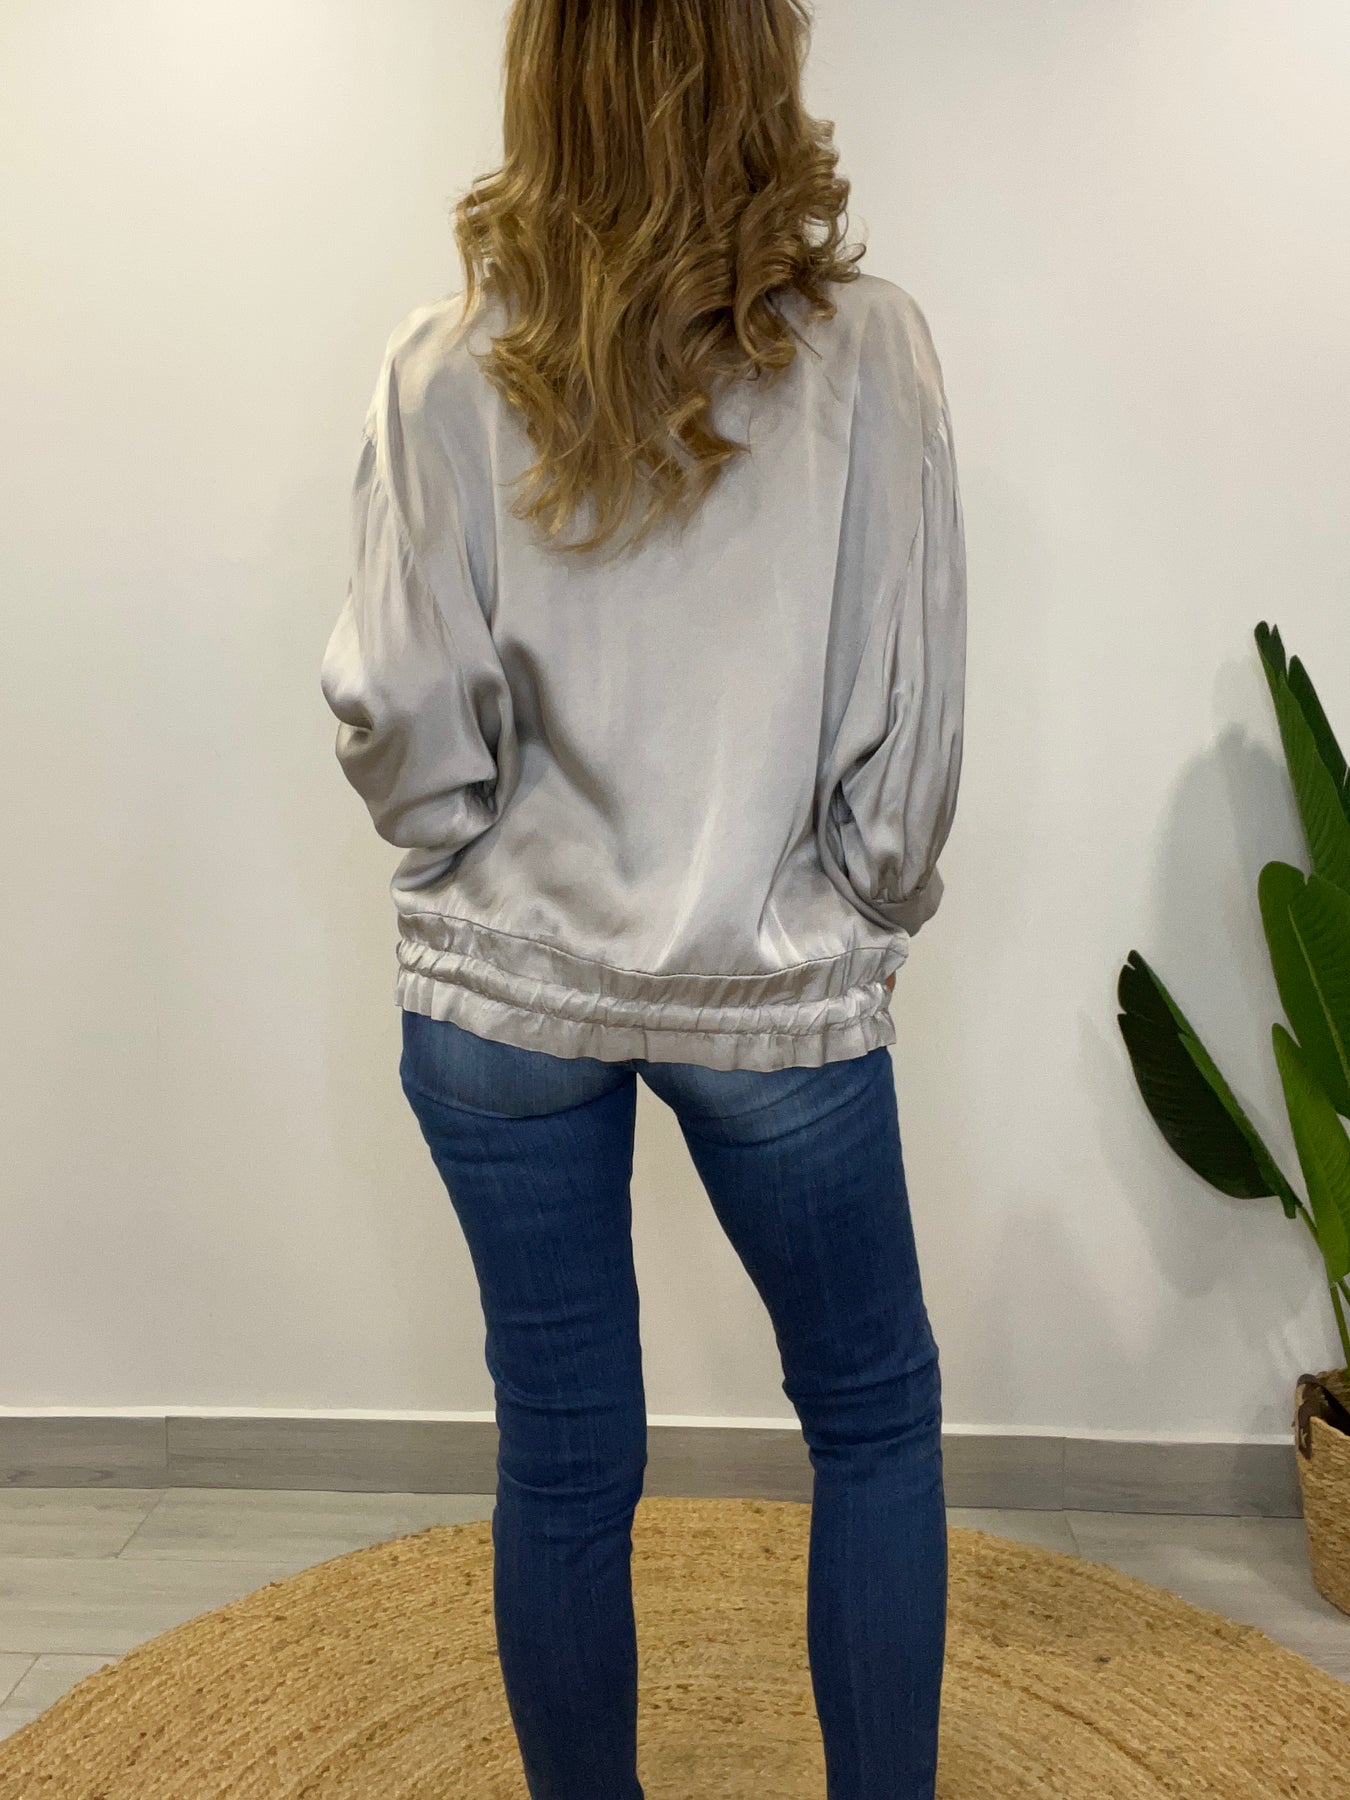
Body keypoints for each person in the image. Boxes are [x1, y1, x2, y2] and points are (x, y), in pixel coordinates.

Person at [320, 2, 967, 1794]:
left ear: (546, 78)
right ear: (758, 64)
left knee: (561, 1453)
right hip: (771, 984)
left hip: (500, 992)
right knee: (871, 1421)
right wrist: (855, 901)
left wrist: (476, 831)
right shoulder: (870, 355)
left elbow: (399, 718)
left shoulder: (442, 368)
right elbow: (906, 725)